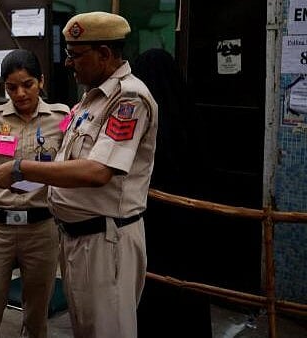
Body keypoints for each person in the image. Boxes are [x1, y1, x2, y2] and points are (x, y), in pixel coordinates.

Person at [0, 12, 158, 338]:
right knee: (85, 328)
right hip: (76, 239)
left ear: (105, 54)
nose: (68, 63)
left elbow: (98, 171)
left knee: (108, 331)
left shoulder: (128, 98)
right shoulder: (89, 101)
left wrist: (20, 168)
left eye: (75, 55)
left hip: (106, 241)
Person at [0, 49, 69, 338]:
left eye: (28, 84)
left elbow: (68, 174)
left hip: (41, 230)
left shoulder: (62, 119)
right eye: (11, 87)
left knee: (37, 318)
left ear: (41, 81)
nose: (20, 93)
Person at [133, 49, 212, 337]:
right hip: (188, 225)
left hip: (150, 224)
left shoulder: (144, 118)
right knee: (187, 294)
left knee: (150, 294)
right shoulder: (189, 115)